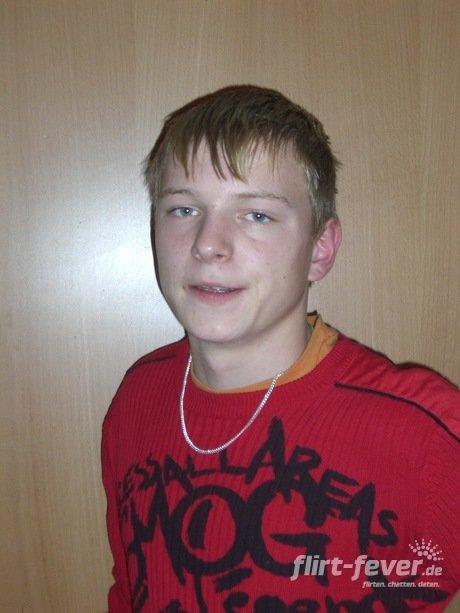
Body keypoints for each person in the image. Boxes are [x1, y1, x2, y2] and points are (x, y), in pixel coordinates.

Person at [102, 85, 459, 612]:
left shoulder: (423, 430)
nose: (207, 244)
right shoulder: (138, 398)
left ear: (319, 250)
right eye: (183, 209)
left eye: (257, 215)